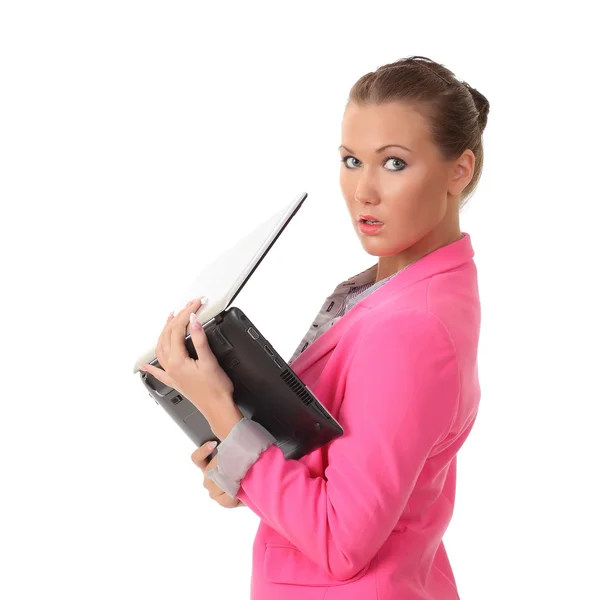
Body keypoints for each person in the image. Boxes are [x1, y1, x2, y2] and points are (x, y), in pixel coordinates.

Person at [197, 55, 488, 599]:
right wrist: (241, 464)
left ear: (459, 170)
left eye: (394, 163)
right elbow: (345, 472)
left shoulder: (412, 326)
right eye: (352, 161)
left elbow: (339, 541)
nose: (364, 191)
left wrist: (222, 413)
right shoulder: (397, 292)